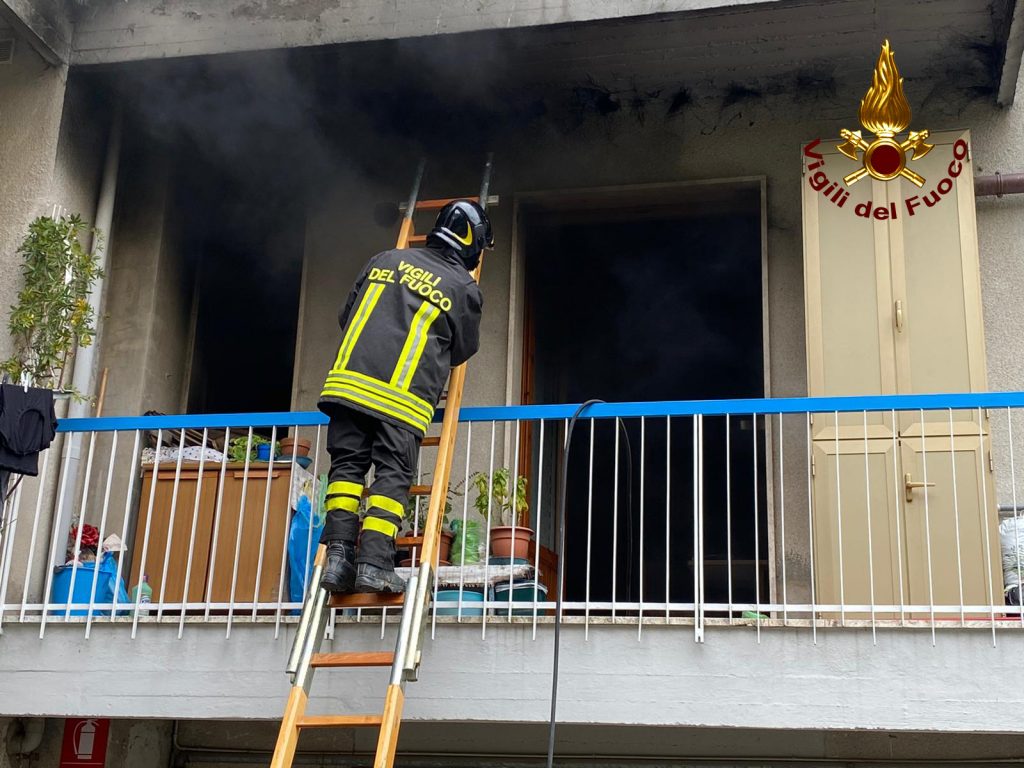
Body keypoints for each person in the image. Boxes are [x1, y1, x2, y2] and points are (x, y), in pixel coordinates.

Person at [317, 200, 491, 594]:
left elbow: (348, 314)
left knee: (346, 473)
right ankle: (375, 563)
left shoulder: (383, 259)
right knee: (391, 478)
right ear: (473, 244)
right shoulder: (463, 287)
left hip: (347, 388)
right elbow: (462, 350)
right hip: (400, 400)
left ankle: (339, 559)